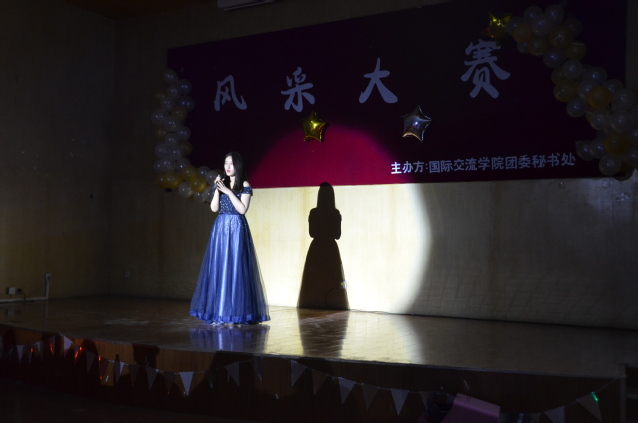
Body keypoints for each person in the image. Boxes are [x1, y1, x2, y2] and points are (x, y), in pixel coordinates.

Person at [190, 152, 270, 325]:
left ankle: (236, 314)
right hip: (220, 228)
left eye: (231, 163)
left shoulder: (244, 184)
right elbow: (214, 208)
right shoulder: (223, 184)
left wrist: (228, 191)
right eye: (225, 163)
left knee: (235, 268)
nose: (227, 166)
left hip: (236, 228)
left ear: (238, 166)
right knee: (219, 268)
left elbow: (242, 209)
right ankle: (219, 313)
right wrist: (217, 190)